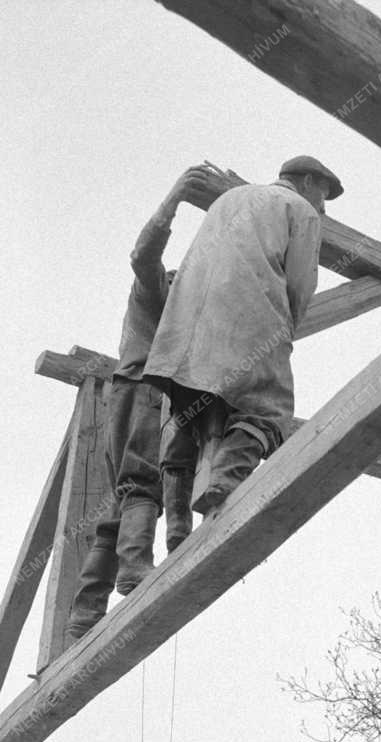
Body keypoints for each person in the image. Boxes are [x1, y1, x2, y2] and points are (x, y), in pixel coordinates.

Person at [65, 165, 223, 643]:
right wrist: (173, 201)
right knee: (141, 485)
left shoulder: (174, 308)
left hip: (126, 392)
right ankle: (134, 570)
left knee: (118, 502)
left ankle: (85, 610)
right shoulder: (153, 289)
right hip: (143, 391)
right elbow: (143, 255)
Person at [144, 155, 342, 516]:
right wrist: (285, 334)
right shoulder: (300, 209)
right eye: (323, 195)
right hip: (247, 312)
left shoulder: (228, 200)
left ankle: (176, 524)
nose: (323, 208)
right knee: (269, 408)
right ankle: (227, 476)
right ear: (308, 182)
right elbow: (300, 285)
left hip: (187, 324)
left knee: (192, 412)